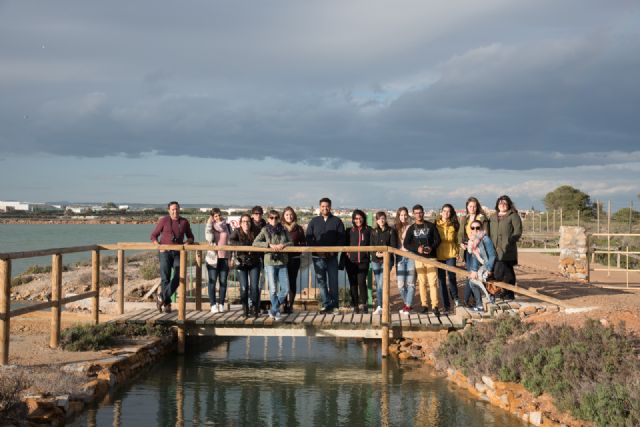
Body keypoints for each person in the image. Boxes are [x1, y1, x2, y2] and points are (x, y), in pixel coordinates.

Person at [149, 201, 194, 313]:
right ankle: (167, 304)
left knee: (179, 276)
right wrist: (159, 246)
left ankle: (161, 297)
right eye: (173, 209)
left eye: (177, 209)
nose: (175, 211)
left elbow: (191, 237)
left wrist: (187, 242)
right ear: (169, 210)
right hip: (165, 253)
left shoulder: (184, 222)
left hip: (178, 253)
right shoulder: (164, 220)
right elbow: (153, 236)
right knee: (165, 278)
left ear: (179, 209)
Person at [306, 197, 345, 313]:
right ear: (320, 207)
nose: (325, 208)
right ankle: (326, 304)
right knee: (321, 282)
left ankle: (335, 306)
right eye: (323, 206)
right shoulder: (314, 221)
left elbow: (341, 238)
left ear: (330, 207)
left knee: (333, 282)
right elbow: (309, 237)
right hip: (317, 258)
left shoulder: (337, 221)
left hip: (332, 258)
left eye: (327, 206)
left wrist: (333, 252)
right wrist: (317, 251)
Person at [253, 210, 292, 320]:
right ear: (268, 218)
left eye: (276, 218)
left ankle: (273, 310)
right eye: (271, 217)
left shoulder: (284, 229)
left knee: (285, 289)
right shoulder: (265, 230)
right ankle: (276, 311)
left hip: (282, 262)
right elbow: (255, 243)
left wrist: (283, 245)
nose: (274, 220)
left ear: (279, 218)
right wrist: (268, 245)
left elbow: (291, 242)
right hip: (269, 262)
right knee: (273, 289)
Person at [404, 204, 441, 316]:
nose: (418, 215)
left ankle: (435, 306)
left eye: (420, 212)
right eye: (416, 213)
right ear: (413, 214)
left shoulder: (431, 226)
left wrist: (431, 247)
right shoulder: (411, 228)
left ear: (423, 213)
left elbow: (438, 240)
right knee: (422, 283)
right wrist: (417, 249)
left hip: (431, 258)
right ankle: (424, 305)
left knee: (433, 283)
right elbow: (406, 244)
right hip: (418, 258)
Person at [489, 195, 522, 300]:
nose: (502, 205)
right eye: (500, 203)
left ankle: (504, 292)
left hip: (508, 249)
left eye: (504, 203)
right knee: (507, 271)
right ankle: (506, 293)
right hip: (494, 249)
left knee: (503, 271)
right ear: (497, 205)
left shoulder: (513, 216)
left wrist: (510, 242)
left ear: (508, 204)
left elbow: (518, 231)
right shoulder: (493, 217)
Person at [458, 197, 489, 306]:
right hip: (467, 250)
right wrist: (460, 243)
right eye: (470, 206)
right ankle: (474, 300)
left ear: (477, 207)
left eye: (474, 206)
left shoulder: (482, 218)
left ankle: (469, 300)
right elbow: (460, 234)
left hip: (477, 249)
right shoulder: (464, 219)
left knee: (473, 275)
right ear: (467, 207)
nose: (472, 208)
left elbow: (485, 233)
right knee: (471, 275)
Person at [230, 214, 262, 317]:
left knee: (254, 287)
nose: (246, 223)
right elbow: (231, 241)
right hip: (241, 262)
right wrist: (244, 246)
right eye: (243, 221)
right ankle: (245, 308)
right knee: (244, 288)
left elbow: (262, 241)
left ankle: (254, 308)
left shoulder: (256, 231)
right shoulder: (237, 231)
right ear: (240, 223)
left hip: (254, 262)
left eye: (248, 221)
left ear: (251, 222)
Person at [344, 210, 372, 314]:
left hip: (363, 261)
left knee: (361, 282)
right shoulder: (349, 231)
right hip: (350, 262)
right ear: (353, 219)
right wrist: (347, 255)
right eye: (356, 218)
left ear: (363, 218)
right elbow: (345, 245)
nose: (358, 220)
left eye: (360, 218)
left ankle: (364, 304)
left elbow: (373, 243)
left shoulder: (368, 230)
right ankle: (355, 305)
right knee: (353, 283)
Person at [465, 219, 497, 311]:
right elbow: (475, 256)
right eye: (473, 228)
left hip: (491, 265)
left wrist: (489, 270)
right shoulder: (473, 241)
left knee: (480, 279)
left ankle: (490, 296)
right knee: (472, 281)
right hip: (483, 265)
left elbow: (492, 256)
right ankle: (480, 305)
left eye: (478, 228)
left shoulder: (485, 239)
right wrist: (474, 270)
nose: (475, 230)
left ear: (481, 228)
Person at [205, 208, 232, 313]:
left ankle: (221, 304)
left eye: (219, 215)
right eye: (215, 216)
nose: (218, 217)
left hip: (225, 258)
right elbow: (209, 239)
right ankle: (212, 304)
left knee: (223, 282)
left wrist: (232, 257)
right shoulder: (210, 227)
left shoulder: (228, 226)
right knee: (212, 282)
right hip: (213, 258)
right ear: (212, 217)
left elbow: (231, 242)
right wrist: (209, 224)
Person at [370, 211, 397, 315]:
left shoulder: (391, 231)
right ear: (376, 220)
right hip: (376, 261)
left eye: (383, 218)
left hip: (387, 261)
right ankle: (381, 306)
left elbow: (393, 246)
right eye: (379, 218)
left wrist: (385, 253)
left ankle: (382, 306)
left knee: (381, 283)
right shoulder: (373, 231)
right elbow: (371, 246)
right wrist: (376, 253)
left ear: (385, 219)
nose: (381, 220)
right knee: (378, 284)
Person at [436, 204, 460, 314]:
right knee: (441, 281)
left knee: (451, 277)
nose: (446, 213)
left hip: (451, 255)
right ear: (441, 212)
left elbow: (456, 240)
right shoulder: (435, 224)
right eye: (444, 211)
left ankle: (455, 299)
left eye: (448, 211)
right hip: (439, 255)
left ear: (451, 213)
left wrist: (458, 252)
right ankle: (446, 305)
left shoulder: (454, 225)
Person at [282, 206, 306, 313]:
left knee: (292, 282)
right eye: (287, 214)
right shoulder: (279, 228)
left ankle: (290, 305)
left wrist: (299, 249)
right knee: (282, 282)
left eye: (291, 214)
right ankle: (283, 303)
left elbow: (304, 242)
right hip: (282, 259)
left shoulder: (299, 229)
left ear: (294, 216)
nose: (289, 216)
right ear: (283, 216)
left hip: (295, 259)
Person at [394, 207, 416, 315]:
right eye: (401, 215)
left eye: (405, 215)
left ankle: (407, 306)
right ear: (398, 216)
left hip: (411, 256)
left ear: (408, 215)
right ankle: (408, 304)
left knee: (410, 283)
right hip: (399, 258)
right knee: (400, 285)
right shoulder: (395, 228)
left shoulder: (412, 227)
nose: (403, 217)